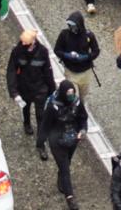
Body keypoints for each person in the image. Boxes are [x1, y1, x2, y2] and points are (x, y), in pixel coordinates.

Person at [37, 79, 89, 209]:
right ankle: (70, 198)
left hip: (72, 138)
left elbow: (83, 118)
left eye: (72, 93)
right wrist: (40, 143)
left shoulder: (76, 102)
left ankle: (61, 180)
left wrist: (83, 130)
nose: (71, 96)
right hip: (57, 140)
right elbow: (45, 125)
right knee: (65, 168)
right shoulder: (52, 106)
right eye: (68, 93)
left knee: (67, 162)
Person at [6, 29, 56, 138]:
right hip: (24, 87)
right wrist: (14, 92)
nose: (23, 44)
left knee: (41, 115)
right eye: (22, 41)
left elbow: (48, 71)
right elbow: (11, 71)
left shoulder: (43, 52)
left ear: (33, 41)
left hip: (40, 89)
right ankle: (27, 124)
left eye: (26, 43)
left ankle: (40, 141)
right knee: (25, 108)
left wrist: (52, 90)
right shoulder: (17, 51)